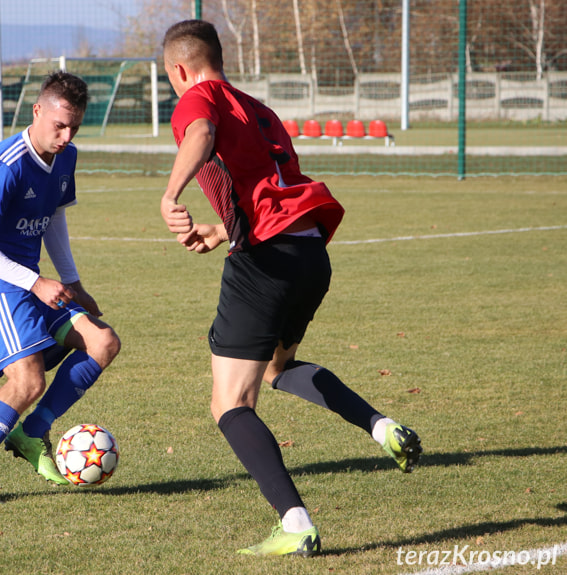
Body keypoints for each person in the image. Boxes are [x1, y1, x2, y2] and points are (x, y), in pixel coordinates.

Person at [160, 20, 421, 557]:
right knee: (278, 369)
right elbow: (268, 188)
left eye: (172, 80)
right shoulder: (256, 107)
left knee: (230, 402)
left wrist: (170, 194)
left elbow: (201, 134)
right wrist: (222, 228)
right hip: (308, 253)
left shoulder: (199, 98)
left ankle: (295, 520)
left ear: (179, 70)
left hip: (266, 264)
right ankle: (382, 427)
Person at [0, 71, 121, 505]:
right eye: (59, 124)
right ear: (37, 111)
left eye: (74, 126)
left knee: (103, 342)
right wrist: (36, 281)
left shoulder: (66, 156)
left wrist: (72, 281)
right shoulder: (6, 166)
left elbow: (54, 216)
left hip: (30, 279)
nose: (66, 135)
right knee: (28, 381)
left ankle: (32, 433)